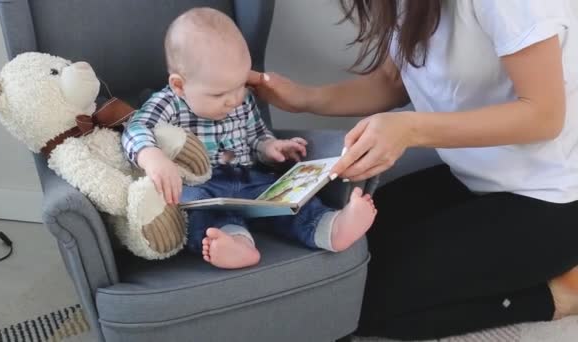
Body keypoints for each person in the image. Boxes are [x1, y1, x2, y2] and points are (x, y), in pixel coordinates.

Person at [247, 0, 578, 339]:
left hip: (552, 200)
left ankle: (557, 294)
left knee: (351, 306)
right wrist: (303, 97)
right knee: (331, 268)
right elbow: (393, 82)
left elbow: (543, 115)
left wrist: (409, 130)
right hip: (472, 182)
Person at [121, 7, 376, 270]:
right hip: (204, 188)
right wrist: (151, 156)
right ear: (179, 86)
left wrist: (270, 147)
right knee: (199, 216)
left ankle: (329, 227)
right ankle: (236, 243)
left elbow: (255, 136)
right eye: (219, 94)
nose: (234, 100)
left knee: (285, 201)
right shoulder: (168, 103)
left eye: (240, 86)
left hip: (249, 178)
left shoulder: (240, 99)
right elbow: (135, 128)